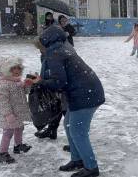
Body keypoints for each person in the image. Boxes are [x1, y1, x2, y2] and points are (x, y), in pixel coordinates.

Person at [30, 25, 105, 177]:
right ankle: (77, 159)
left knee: (78, 132)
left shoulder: (55, 54)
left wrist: (40, 82)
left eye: (40, 47)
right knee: (69, 124)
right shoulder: (63, 48)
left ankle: (91, 168)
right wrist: (43, 79)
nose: (40, 50)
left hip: (84, 95)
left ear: (46, 43)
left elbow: (59, 82)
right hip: (86, 91)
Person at [0, 57, 32, 164]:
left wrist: (28, 85)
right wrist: (8, 115)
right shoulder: (2, 85)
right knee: (8, 132)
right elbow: (3, 102)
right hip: (9, 115)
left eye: (19, 68)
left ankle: (18, 146)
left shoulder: (17, 81)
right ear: (4, 71)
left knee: (19, 127)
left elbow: (24, 92)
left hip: (18, 112)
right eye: (13, 69)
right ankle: (2, 153)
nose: (17, 71)